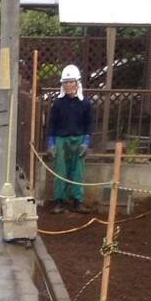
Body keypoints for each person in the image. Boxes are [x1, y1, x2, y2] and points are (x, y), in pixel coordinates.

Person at [45, 64, 93, 214]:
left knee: (78, 171)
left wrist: (86, 143)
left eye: (71, 82)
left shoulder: (85, 103)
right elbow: (51, 124)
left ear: (77, 83)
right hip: (61, 140)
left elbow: (89, 124)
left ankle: (77, 201)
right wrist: (51, 143)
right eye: (65, 82)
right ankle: (59, 201)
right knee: (60, 171)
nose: (68, 85)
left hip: (78, 139)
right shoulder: (58, 104)